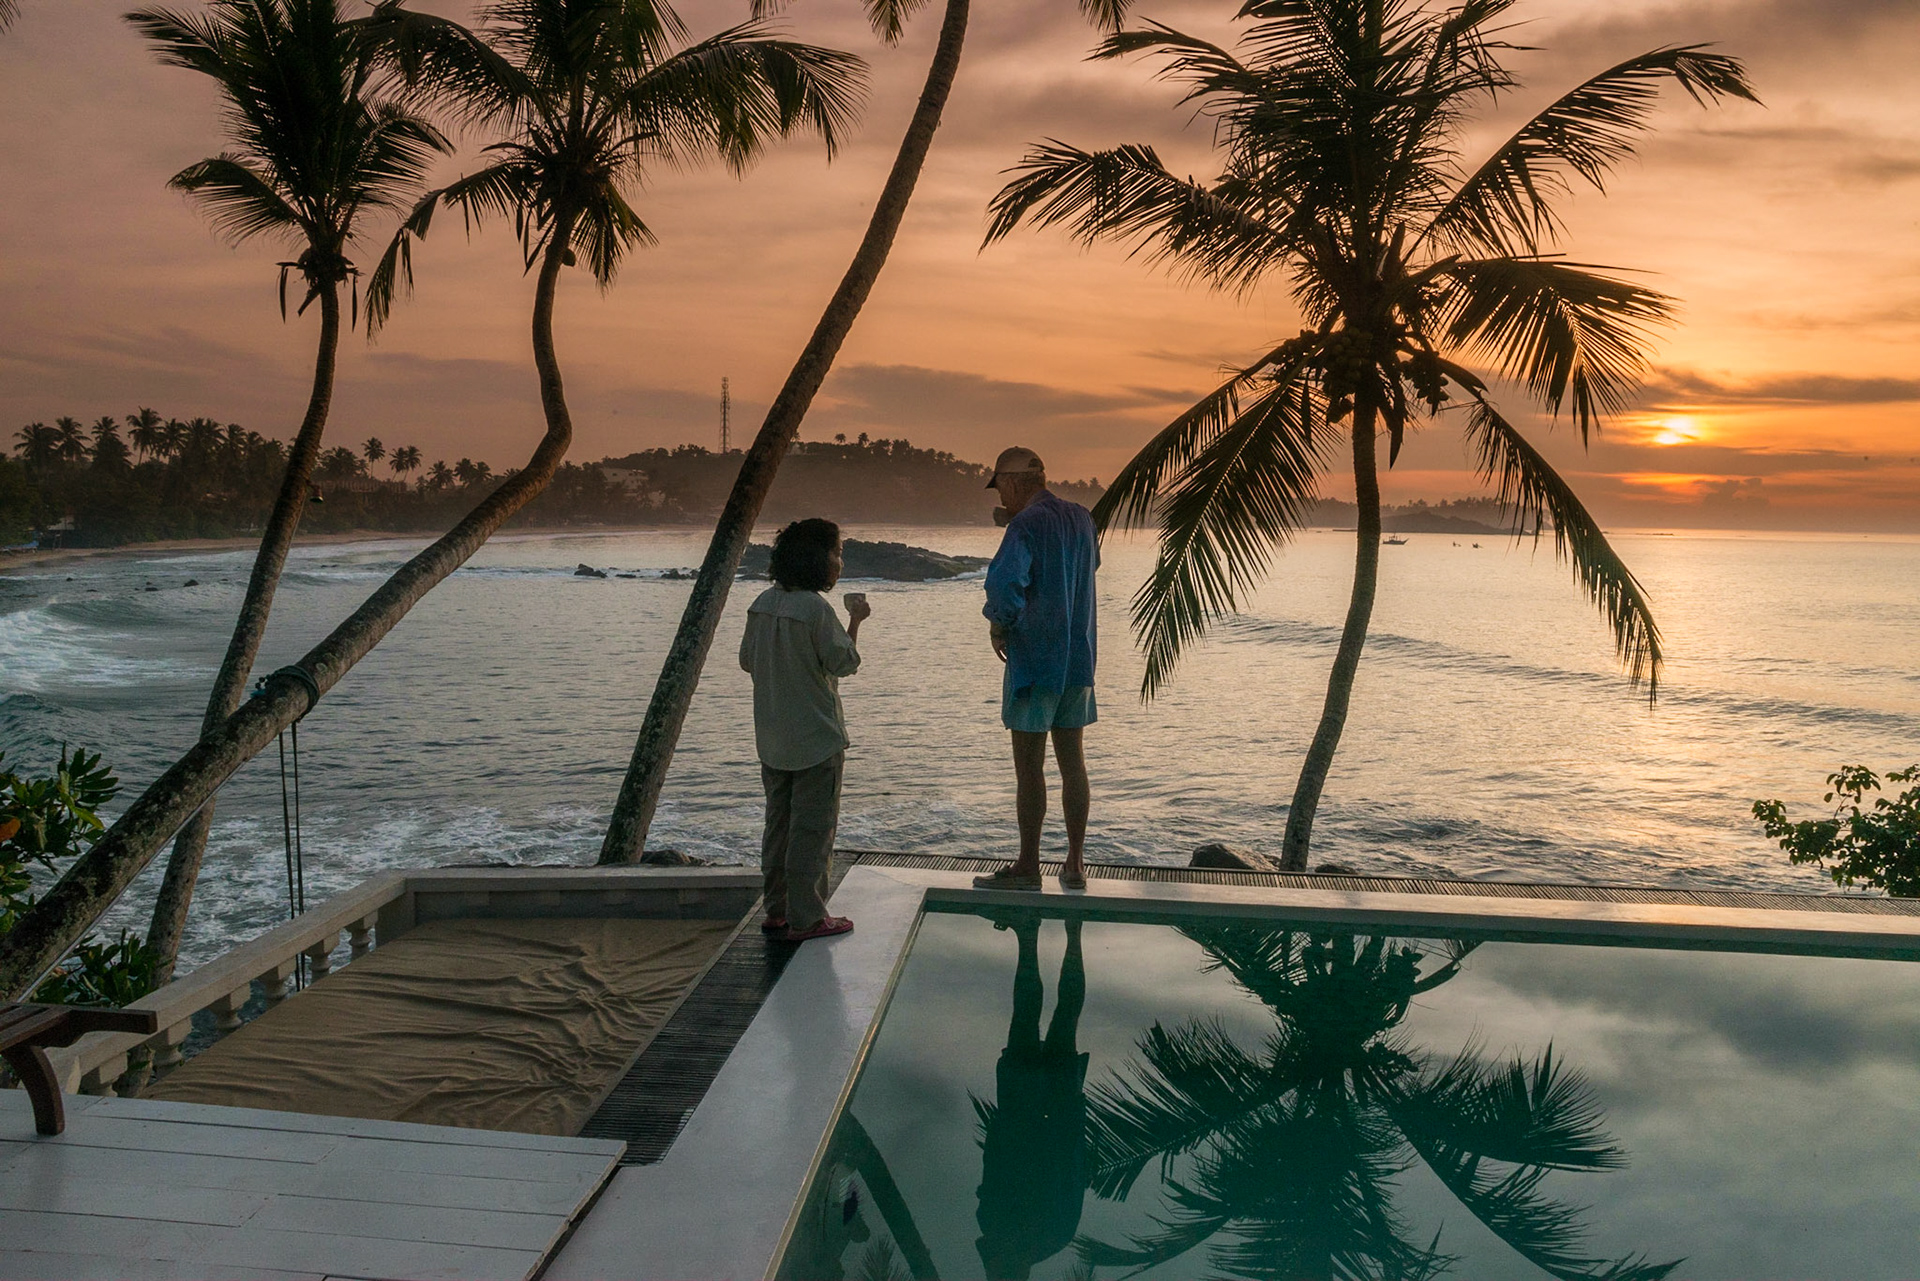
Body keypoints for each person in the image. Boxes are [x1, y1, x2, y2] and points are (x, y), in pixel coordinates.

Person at [739, 518, 870, 941]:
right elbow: (843, 663)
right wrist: (856, 620)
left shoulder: (762, 603)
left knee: (778, 827)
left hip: (772, 737)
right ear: (818, 560)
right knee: (812, 831)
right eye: (837, 553)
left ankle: (777, 910)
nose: (839, 562)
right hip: (816, 737)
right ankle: (808, 917)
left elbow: (747, 660)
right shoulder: (816, 609)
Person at [974, 446, 1098, 892]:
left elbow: (1005, 583)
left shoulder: (1025, 524)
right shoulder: (1082, 518)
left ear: (1011, 482)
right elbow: (1087, 567)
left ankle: (1028, 865)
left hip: (1035, 659)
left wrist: (999, 625)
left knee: (1030, 768)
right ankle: (1075, 863)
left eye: (1000, 488)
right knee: (1073, 763)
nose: (1000, 497)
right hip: (1078, 658)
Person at [973, 913, 1089, 1280]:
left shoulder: (1020, 1234)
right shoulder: (1047, 1235)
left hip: (1032, 1108)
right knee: (1053, 1017)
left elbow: (994, 1164)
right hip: (1042, 1110)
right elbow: (1072, 1171)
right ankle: (1057, 933)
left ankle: (1045, 934)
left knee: (1045, 1016)